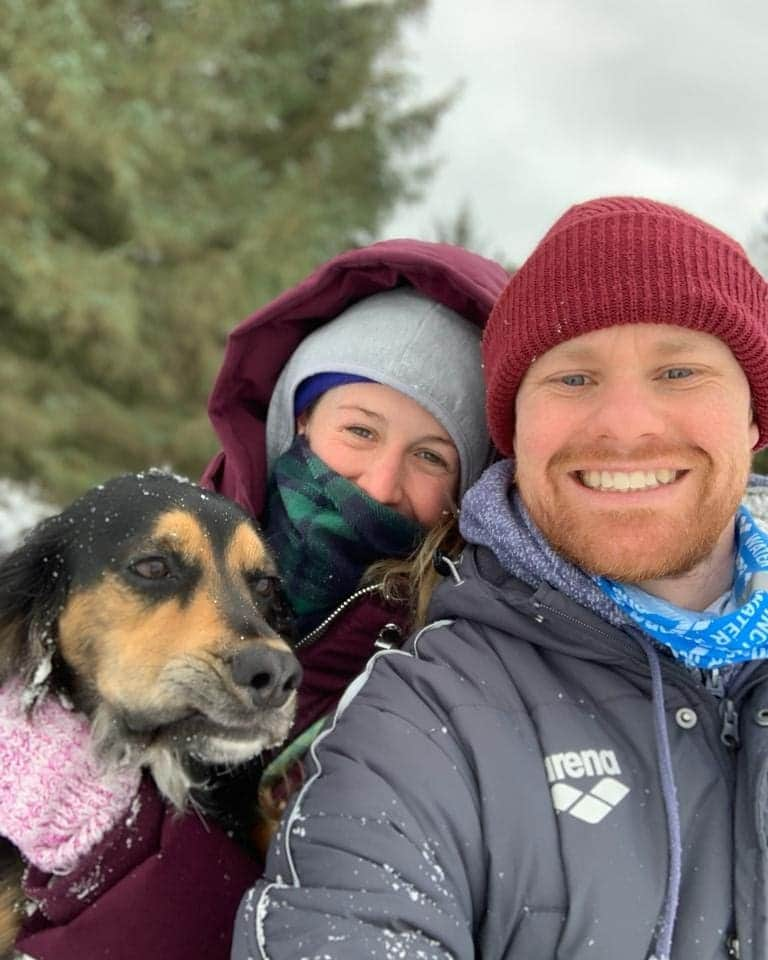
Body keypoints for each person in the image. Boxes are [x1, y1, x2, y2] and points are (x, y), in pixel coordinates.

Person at [232, 197, 768, 960]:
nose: (624, 425)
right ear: (515, 433)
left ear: (754, 416)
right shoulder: (420, 720)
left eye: (679, 370)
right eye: (574, 378)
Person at [12, 239, 507, 960]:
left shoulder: (441, 659)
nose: (377, 482)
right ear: (298, 423)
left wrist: (101, 843)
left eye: (430, 456)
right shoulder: (146, 539)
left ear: (462, 495)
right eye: (359, 430)